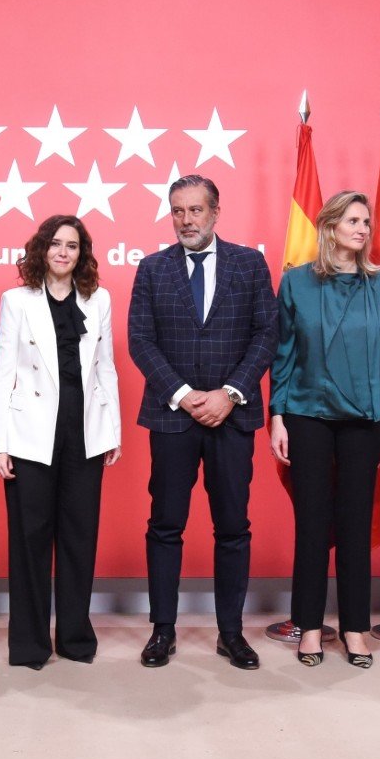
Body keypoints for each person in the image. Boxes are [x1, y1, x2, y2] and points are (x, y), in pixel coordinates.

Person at [127, 174, 279, 670]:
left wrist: (230, 394)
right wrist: (186, 395)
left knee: (232, 527)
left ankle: (230, 633)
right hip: (173, 418)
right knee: (165, 526)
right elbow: (140, 340)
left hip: (231, 420)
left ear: (215, 212)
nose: (186, 220)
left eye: (195, 210)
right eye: (178, 211)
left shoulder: (249, 264)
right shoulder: (151, 269)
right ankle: (162, 630)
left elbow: (266, 335)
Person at [267, 191, 380, 668]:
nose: (363, 228)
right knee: (312, 524)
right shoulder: (295, 283)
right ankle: (308, 627)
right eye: (353, 220)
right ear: (328, 227)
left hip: (365, 420)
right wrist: (277, 415)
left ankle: (355, 627)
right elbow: (282, 353)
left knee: (353, 525)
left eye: (366, 221)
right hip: (305, 416)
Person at [0, 215, 122, 669]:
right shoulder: (15, 300)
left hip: (85, 430)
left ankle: (75, 637)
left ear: (81, 252)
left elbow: (106, 366)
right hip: (29, 435)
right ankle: (28, 644)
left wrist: (113, 430)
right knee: (28, 540)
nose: (63, 252)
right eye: (55, 244)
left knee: (79, 538)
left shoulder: (99, 298)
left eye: (72, 245)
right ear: (41, 250)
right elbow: (3, 371)